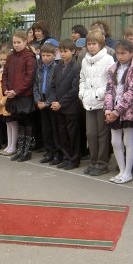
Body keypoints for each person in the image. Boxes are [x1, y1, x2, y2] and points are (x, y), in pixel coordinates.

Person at [105, 40, 133, 184]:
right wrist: (108, 109)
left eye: (123, 53)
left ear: (131, 53)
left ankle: (128, 172)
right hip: (113, 109)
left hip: (128, 111)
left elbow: (132, 92)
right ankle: (121, 170)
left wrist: (117, 111)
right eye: (118, 53)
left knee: (127, 141)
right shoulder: (113, 68)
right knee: (115, 141)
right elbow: (109, 89)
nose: (120, 56)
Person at [79, 29, 115, 176]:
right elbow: (82, 79)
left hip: (101, 102)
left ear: (101, 44)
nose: (91, 47)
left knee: (102, 133)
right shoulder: (84, 60)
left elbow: (110, 81)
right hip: (88, 100)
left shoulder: (108, 60)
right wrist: (82, 93)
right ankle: (93, 161)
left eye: (94, 44)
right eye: (89, 44)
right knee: (90, 133)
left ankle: (102, 163)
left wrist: (101, 94)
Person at [2, 30, 37, 162]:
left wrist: (16, 91)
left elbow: (29, 78)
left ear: (25, 42)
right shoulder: (11, 57)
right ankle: (20, 149)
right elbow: (5, 74)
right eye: (14, 42)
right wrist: (5, 89)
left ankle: (27, 151)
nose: (16, 45)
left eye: (19, 42)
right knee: (19, 122)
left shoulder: (29, 57)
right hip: (12, 96)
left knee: (27, 122)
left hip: (24, 96)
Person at [49, 39, 81, 170]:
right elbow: (52, 85)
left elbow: (74, 89)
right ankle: (66, 157)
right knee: (62, 133)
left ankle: (74, 159)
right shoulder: (57, 66)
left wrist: (61, 103)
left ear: (73, 51)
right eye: (60, 51)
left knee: (72, 134)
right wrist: (54, 101)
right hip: (58, 106)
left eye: (65, 51)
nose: (62, 54)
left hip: (71, 107)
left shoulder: (76, 67)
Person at [34, 42, 59, 164]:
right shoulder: (39, 68)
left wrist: (48, 102)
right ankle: (49, 152)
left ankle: (57, 153)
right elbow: (35, 84)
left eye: (48, 55)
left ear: (54, 55)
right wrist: (38, 99)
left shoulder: (56, 68)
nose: (45, 58)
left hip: (51, 101)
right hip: (41, 99)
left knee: (54, 129)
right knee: (46, 129)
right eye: (43, 55)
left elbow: (55, 87)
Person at [0, 49, 14, 155]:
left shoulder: (11, 72)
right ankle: (9, 145)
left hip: (7, 103)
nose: (3, 61)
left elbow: (9, 88)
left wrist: (3, 101)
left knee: (12, 124)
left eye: (6, 59)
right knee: (8, 124)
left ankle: (13, 145)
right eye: (1, 59)